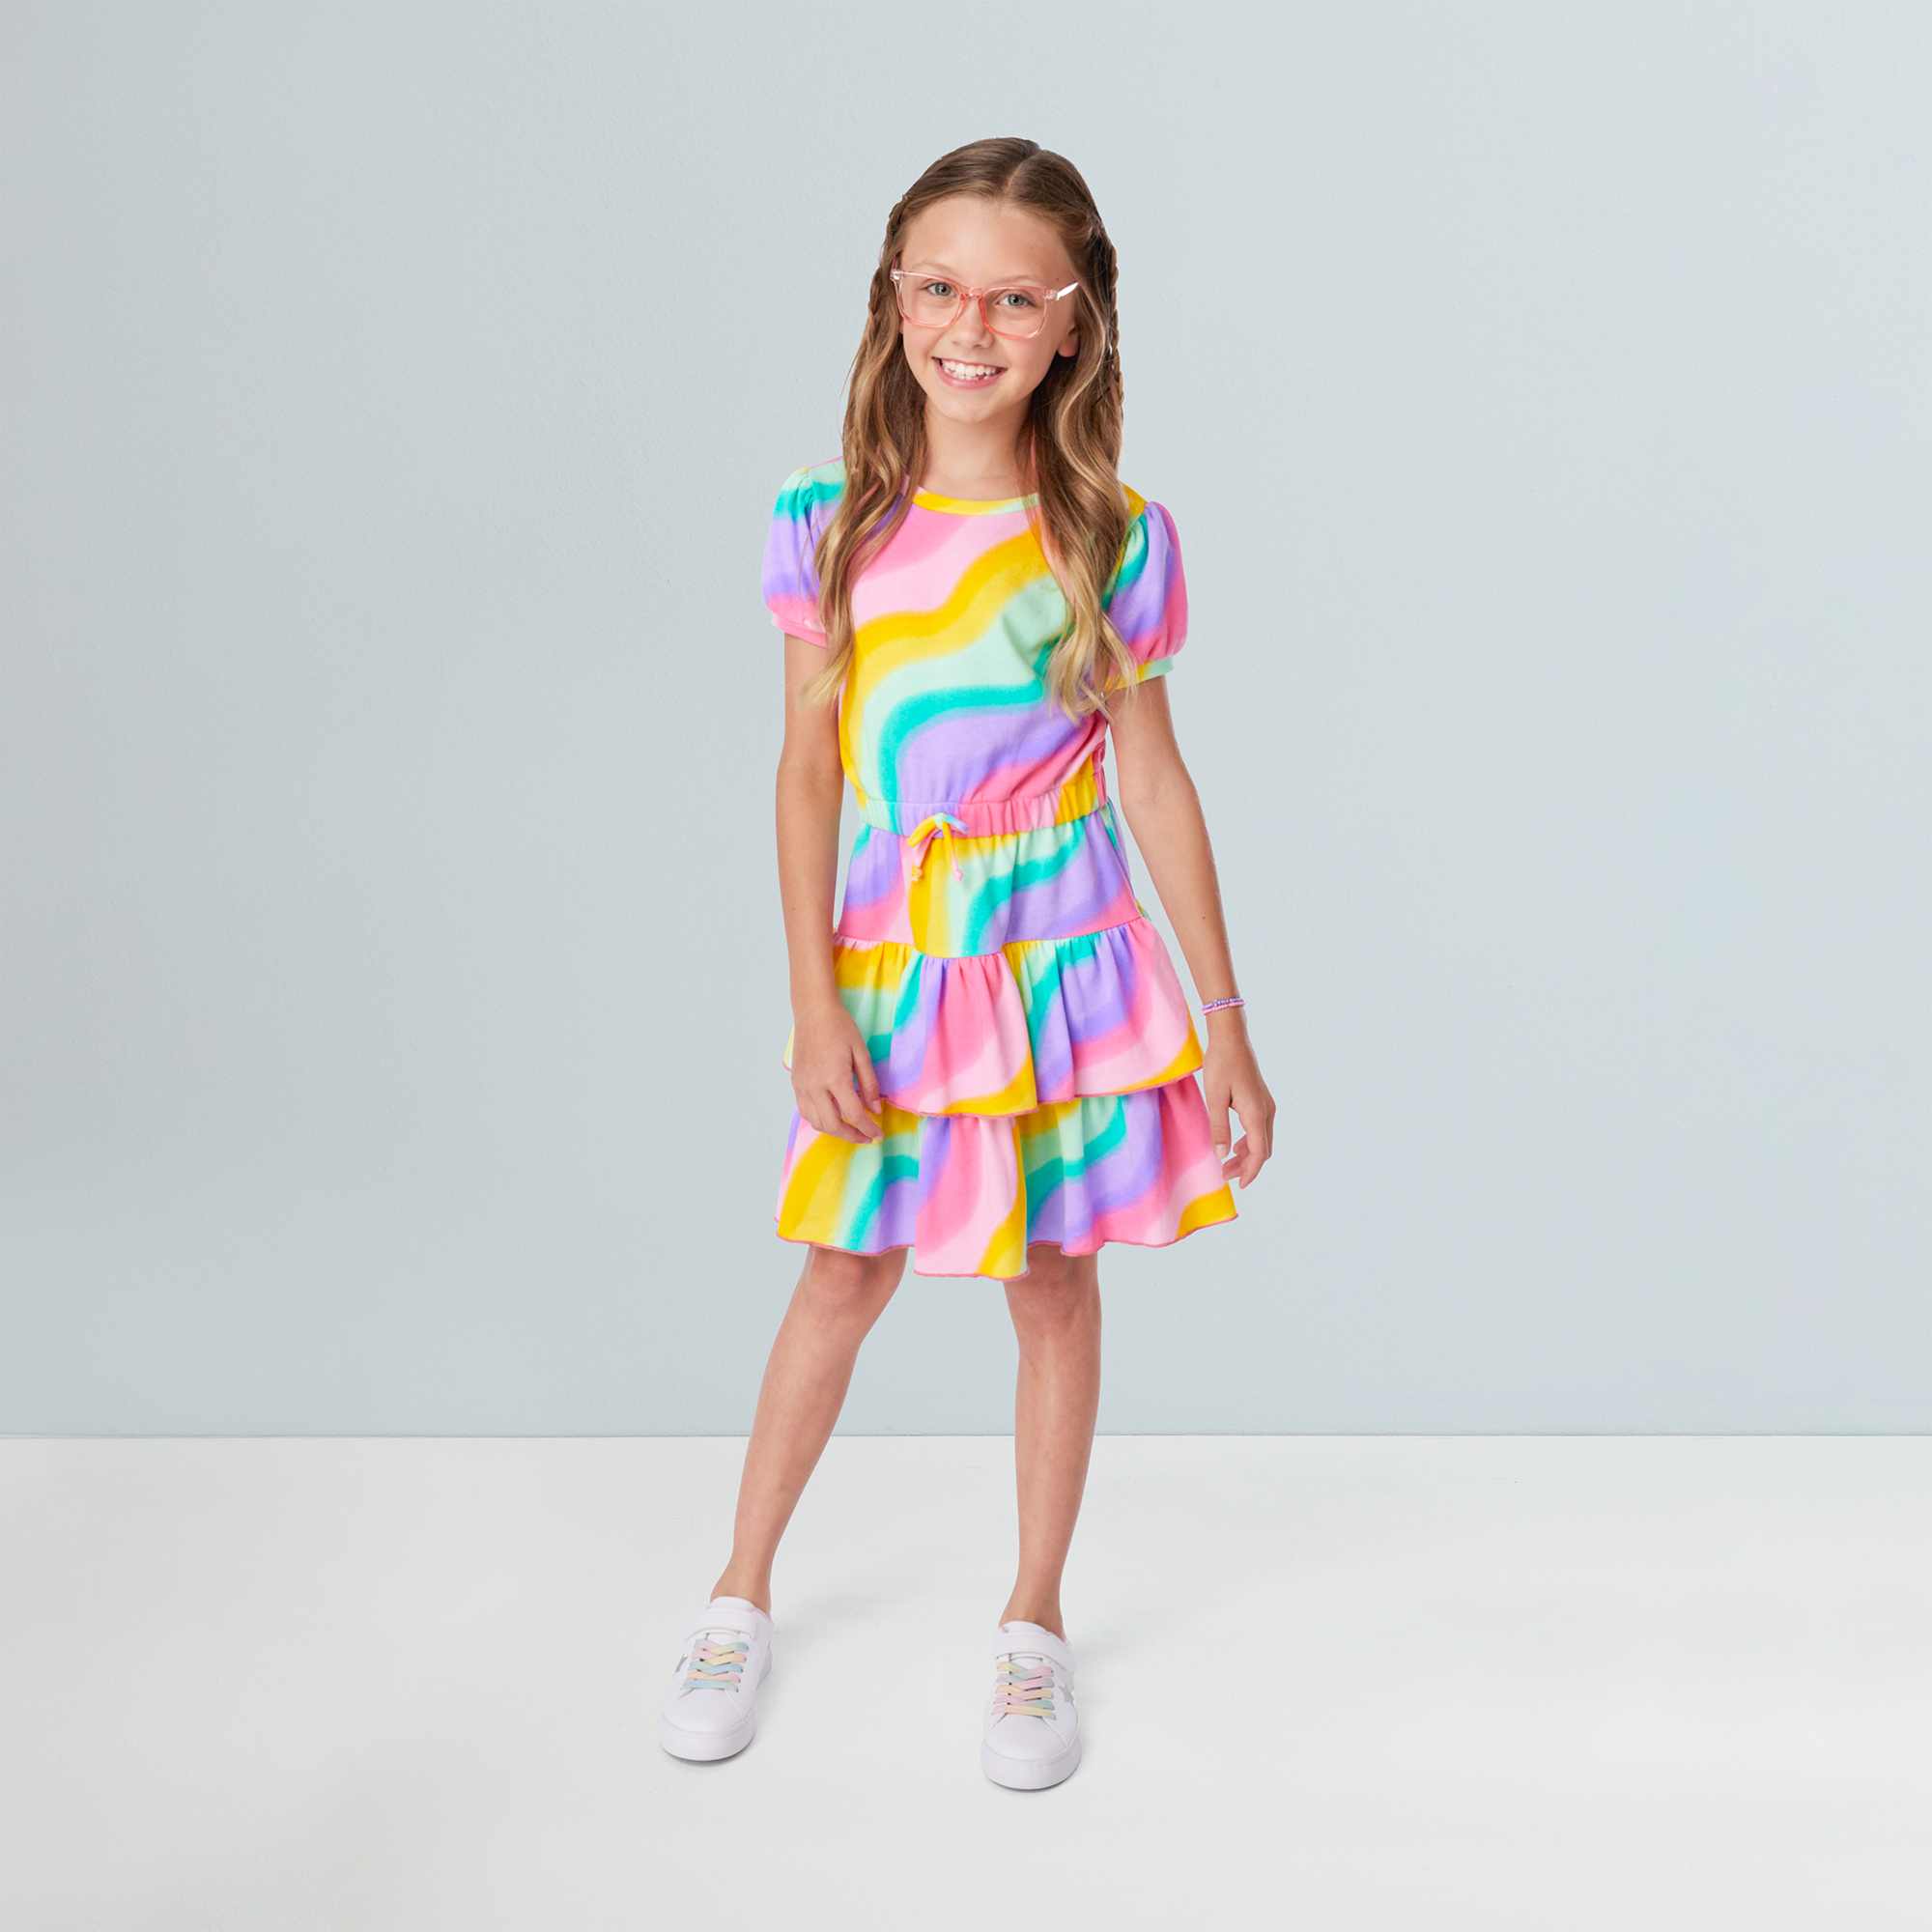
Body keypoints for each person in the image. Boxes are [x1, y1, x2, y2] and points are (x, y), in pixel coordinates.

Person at [658, 137, 1274, 1790]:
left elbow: (1155, 783)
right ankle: (737, 1593)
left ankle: (1032, 1622)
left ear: (1074, 321)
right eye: (939, 288)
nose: (970, 327)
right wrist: (813, 1003)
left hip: (1062, 968)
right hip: (898, 965)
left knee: (1053, 1278)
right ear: (893, 300)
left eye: (1013, 298)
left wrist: (1224, 1019)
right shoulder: (831, 524)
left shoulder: (1113, 538)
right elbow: (805, 773)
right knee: (841, 1271)